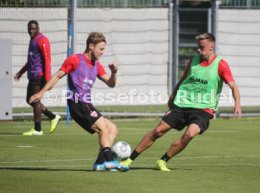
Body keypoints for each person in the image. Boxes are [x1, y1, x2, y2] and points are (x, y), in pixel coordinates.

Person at [121, 32, 242, 171]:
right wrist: (173, 96)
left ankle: (162, 161)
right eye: (198, 46)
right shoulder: (193, 60)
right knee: (158, 131)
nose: (198, 49)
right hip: (182, 104)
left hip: (204, 109)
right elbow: (183, 80)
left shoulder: (221, 64)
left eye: (202, 47)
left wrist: (237, 103)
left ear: (211, 47)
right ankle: (129, 160)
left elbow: (233, 86)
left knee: (189, 135)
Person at [29, 32, 128, 172]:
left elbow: (111, 84)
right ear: (91, 46)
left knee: (112, 129)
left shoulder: (97, 65)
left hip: (86, 103)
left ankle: (99, 163)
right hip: (77, 103)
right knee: (103, 129)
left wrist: (114, 73)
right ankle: (109, 161)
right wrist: (41, 92)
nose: (102, 52)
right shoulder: (74, 60)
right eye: (101, 49)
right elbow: (57, 76)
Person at [14, 20, 61, 136]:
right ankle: (52, 116)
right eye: (29, 29)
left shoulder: (42, 40)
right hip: (32, 75)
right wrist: (20, 72)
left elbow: (47, 59)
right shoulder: (32, 40)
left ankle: (38, 129)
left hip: (39, 76)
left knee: (35, 100)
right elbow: (31, 61)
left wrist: (48, 79)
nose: (31, 31)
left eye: (34, 28)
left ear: (38, 28)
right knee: (29, 99)